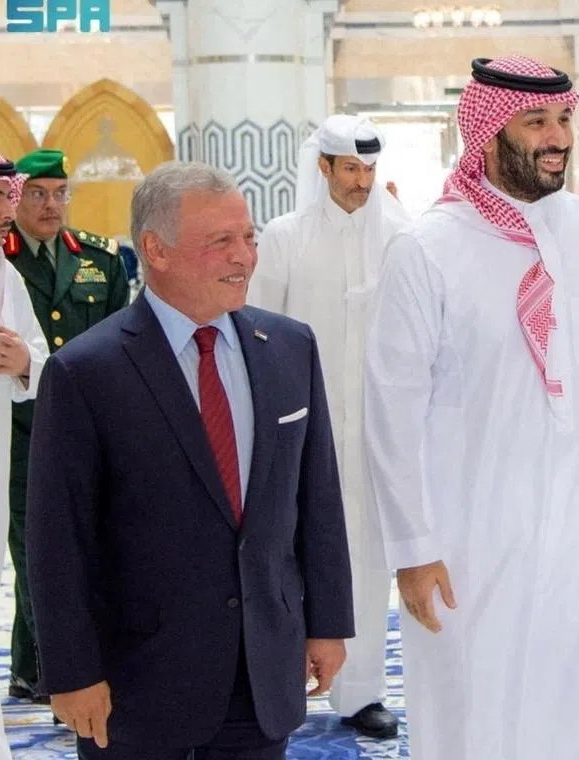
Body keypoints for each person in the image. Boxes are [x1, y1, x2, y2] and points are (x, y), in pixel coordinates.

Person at [362, 55, 579, 760]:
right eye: (536, 122)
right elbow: (390, 416)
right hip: (475, 537)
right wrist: (412, 550)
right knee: (482, 705)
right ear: (488, 133)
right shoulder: (426, 250)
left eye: (564, 120)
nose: (557, 138)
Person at [25, 161, 356, 759]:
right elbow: (57, 540)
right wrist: (71, 673)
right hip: (136, 685)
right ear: (156, 250)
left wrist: (328, 624)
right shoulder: (86, 371)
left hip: (263, 672)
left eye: (249, 237)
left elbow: (318, 500)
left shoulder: (289, 347)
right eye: (221, 241)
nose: (245, 257)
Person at [248, 114, 410, 739]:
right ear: (323, 168)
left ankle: (361, 693)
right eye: (350, 169)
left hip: (374, 431)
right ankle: (276, 689)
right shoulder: (285, 237)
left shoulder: (400, 235)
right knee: (283, 556)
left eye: (369, 169)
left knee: (366, 558)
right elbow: (258, 330)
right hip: (298, 428)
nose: (362, 182)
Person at [4, 147, 130, 704]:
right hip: (17, 429)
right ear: (16, 198)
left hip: (87, 428)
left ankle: (30, 665)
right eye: (37, 194)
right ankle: (56, 669)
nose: (50, 205)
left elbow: (120, 342)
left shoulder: (99, 259)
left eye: (60, 193)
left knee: (87, 546)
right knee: (36, 549)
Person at [0, 144, 47, 760]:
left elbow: (44, 365)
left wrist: (22, 361)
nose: (6, 212)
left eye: (6, 197)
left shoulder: (5, 276)